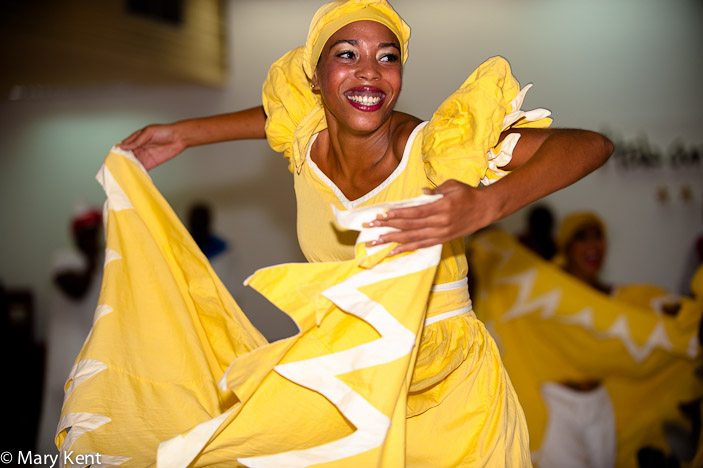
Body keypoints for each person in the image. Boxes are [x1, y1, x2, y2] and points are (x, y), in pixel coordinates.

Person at [115, 0, 613, 465]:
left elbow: (589, 145)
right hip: (347, 385)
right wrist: (182, 133)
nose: (370, 71)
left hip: (448, 395)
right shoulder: (305, 140)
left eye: (387, 56)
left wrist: (486, 203)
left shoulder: (432, 150)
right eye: (347, 53)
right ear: (314, 77)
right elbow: (272, 117)